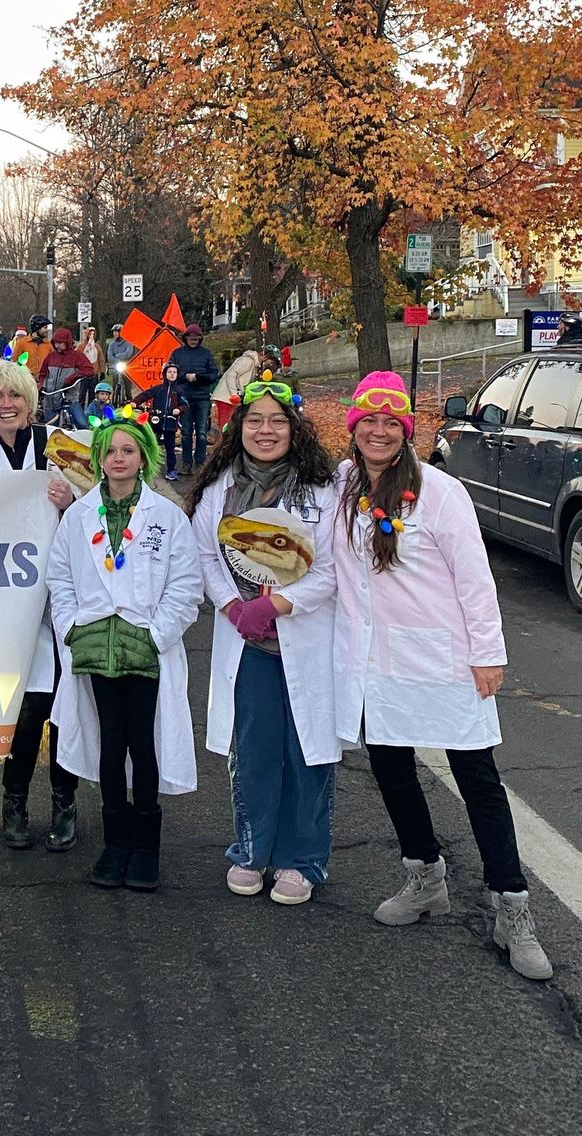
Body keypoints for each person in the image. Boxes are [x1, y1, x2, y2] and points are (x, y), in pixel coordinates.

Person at [333, 372, 552, 979]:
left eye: (390, 422)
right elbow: (322, 562)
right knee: (392, 772)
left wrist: (488, 654)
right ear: (354, 428)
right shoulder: (342, 486)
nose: (378, 431)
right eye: (367, 421)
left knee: (478, 780)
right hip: (376, 664)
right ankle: (425, 876)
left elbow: (475, 581)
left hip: (443, 659)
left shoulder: (440, 492)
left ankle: (513, 909)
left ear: (405, 430)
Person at [187, 374, 340, 905]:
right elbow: (204, 556)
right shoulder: (218, 489)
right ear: (239, 427)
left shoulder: (323, 490)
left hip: (304, 636)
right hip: (247, 642)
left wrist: (275, 604)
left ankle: (302, 860)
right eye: (256, 421)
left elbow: (333, 567)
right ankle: (250, 850)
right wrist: (232, 607)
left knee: (306, 752)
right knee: (253, 751)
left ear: (294, 428)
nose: (266, 430)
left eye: (278, 421)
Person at [48, 415, 202, 889]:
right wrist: (74, 628)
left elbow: (186, 585)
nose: (118, 459)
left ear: (144, 458)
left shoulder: (167, 517)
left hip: (147, 649)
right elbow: (60, 578)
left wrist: (156, 635)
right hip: (97, 649)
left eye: (128, 451)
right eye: (110, 451)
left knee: (144, 744)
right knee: (109, 745)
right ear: (98, 459)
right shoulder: (78, 517)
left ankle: (146, 849)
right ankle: (115, 844)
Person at [0, 359, 80, 851]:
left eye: (14, 396)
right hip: (10, 601)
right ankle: (14, 801)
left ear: (30, 401)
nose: (5, 405)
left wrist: (71, 500)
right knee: (25, 709)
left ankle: (64, 802)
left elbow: (98, 502)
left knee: (67, 710)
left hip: (65, 595)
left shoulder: (60, 445)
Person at [171, 323, 220, 473]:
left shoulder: (206, 354)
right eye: (191, 339)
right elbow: (170, 373)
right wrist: (185, 376)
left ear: (200, 339)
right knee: (185, 432)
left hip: (202, 397)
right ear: (185, 338)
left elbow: (213, 375)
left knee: (201, 432)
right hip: (184, 398)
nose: (194, 341)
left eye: (196, 339)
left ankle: (200, 463)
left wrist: (199, 377)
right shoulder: (177, 354)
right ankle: (186, 463)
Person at [134, 361, 187, 480]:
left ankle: (171, 470)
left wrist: (179, 409)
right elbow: (145, 395)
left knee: (170, 449)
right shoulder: (158, 389)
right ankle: (144, 468)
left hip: (170, 423)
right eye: (169, 372)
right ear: (164, 374)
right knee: (149, 445)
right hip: (156, 422)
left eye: (174, 372)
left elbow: (185, 404)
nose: (172, 374)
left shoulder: (179, 391)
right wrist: (134, 402)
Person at [38, 327, 94, 427]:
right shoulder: (50, 357)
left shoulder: (77, 357)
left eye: (60, 343)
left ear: (67, 342)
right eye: (55, 342)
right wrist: (41, 386)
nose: (57, 345)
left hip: (69, 399)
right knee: (50, 430)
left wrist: (74, 377)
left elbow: (89, 370)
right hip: (50, 400)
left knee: (83, 425)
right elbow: (42, 374)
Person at [106, 324, 137, 400]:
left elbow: (128, 353)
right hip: (116, 367)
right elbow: (109, 356)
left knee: (127, 387)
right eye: (114, 332)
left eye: (117, 332)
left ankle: (129, 400)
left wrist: (116, 355)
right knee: (115, 384)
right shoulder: (111, 344)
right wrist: (118, 360)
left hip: (126, 367)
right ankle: (114, 399)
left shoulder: (128, 342)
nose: (115, 334)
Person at [79, 325, 105, 405]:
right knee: (81, 395)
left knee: (92, 395)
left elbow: (101, 359)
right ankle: (80, 412)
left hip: (94, 374)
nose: (92, 336)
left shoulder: (97, 347)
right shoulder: (81, 347)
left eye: (93, 334)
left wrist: (102, 371)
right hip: (83, 375)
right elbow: (76, 358)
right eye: (90, 334)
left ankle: (90, 413)